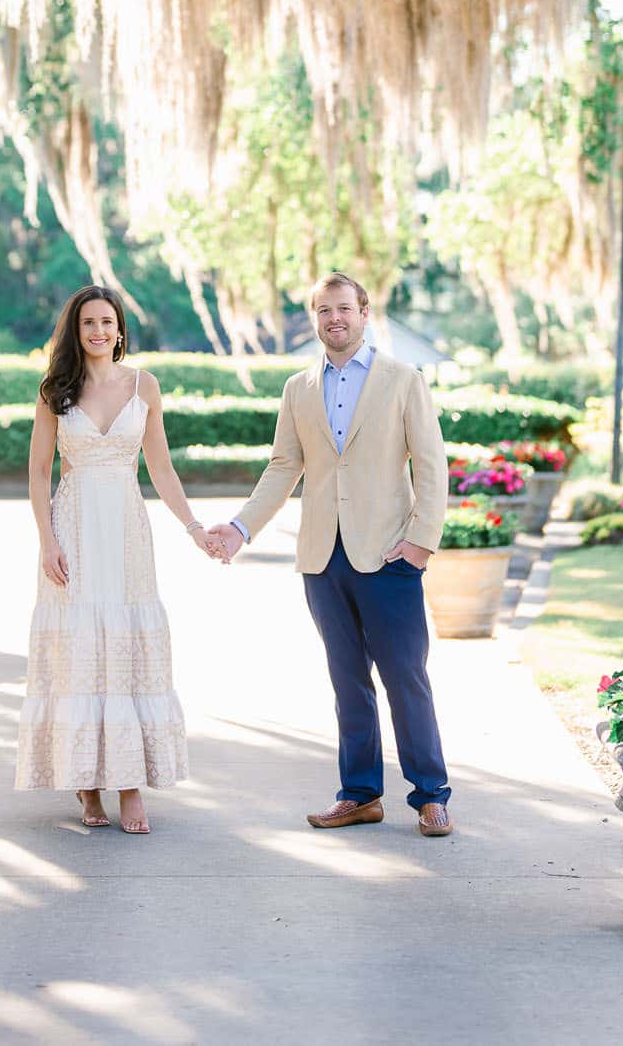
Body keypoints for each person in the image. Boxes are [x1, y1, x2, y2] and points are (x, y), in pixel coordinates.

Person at [207, 272, 453, 836]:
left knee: (405, 677)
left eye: (344, 308)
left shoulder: (403, 379)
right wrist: (241, 528)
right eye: (323, 310)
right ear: (314, 318)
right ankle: (360, 794)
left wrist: (420, 541)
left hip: (390, 555)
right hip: (323, 557)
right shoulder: (299, 388)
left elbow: (431, 464)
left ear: (365, 313)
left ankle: (431, 794)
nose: (334, 319)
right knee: (347, 681)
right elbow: (283, 467)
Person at [15, 284, 218, 834]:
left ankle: (131, 788)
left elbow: (162, 468)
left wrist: (194, 527)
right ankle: (87, 787)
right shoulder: (54, 390)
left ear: (120, 328)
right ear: (75, 332)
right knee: (80, 650)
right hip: (74, 526)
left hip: (126, 529)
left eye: (107, 321)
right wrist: (46, 540)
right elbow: (38, 471)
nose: (98, 331)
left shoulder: (143, 386)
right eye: (88, 324)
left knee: (124, 650)